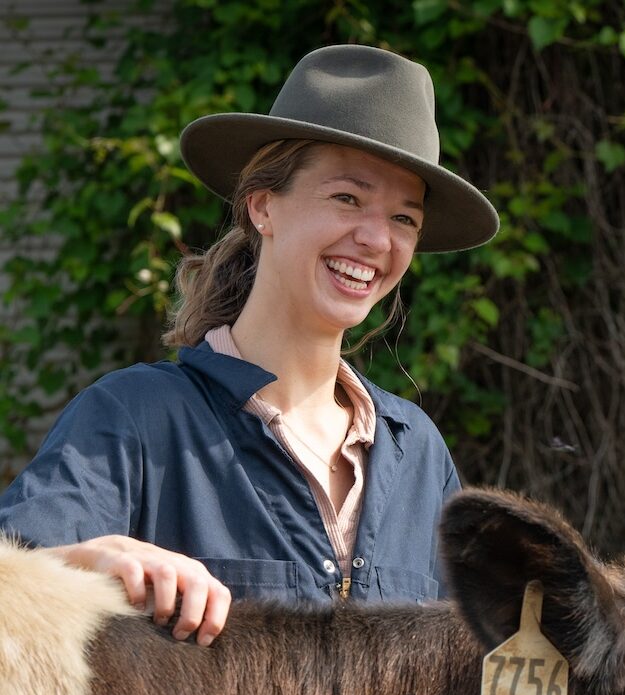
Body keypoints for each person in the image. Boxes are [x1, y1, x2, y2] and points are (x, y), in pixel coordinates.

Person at [0, 45, 499, 646]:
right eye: (347, 197)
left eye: (405, 219)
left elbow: (471, 668)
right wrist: (92, 559)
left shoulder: (417, 450)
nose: (375, 238)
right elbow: (13, 585)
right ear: (263, 206)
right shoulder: (135, 416)